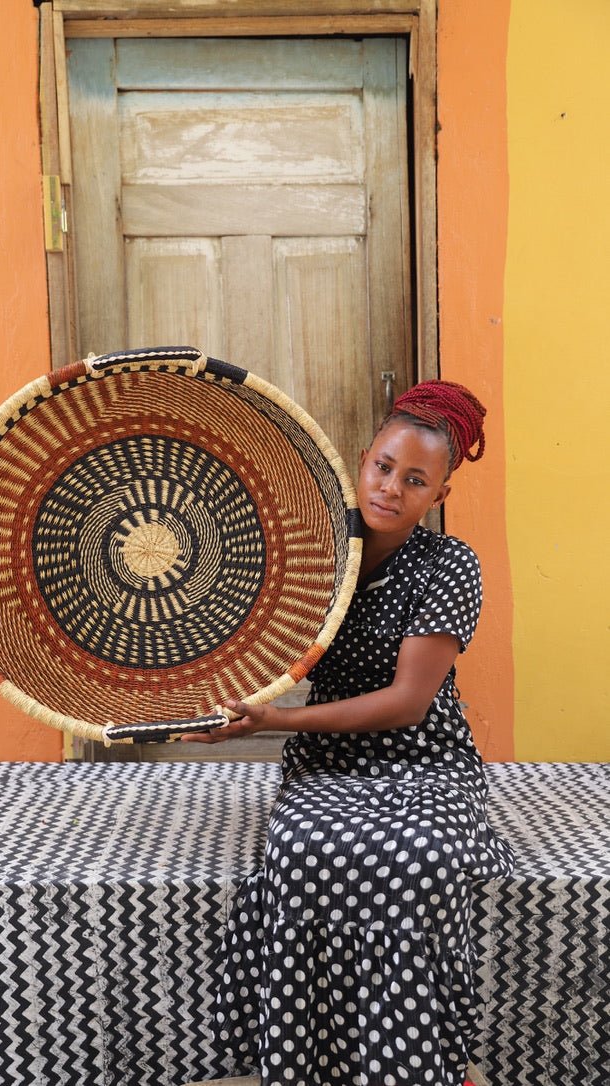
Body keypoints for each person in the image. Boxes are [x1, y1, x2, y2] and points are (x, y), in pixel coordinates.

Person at [184, 380, 515, 1086]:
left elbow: (407, 703)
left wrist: (277, 720)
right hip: (328, 762)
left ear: (440, 493)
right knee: (300, 848)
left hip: (425, 760)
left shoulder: (451, 566)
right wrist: (201, 701)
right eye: (384, 467)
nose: (392, 488)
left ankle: (420, 1064)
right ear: (362, 461)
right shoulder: (315, 550)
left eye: (416, 480)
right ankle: (307, 1064)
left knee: (418, 860)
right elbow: (234, 631)